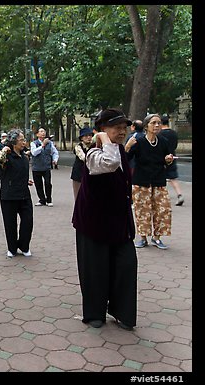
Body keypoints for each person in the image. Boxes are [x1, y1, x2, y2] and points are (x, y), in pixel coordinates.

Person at [72, 108, 137, 331]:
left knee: (126, 265)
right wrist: (101, 139)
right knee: (95, 269)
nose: (122, 132)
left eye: (124, 127)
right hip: (93, 222)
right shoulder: (94, 154)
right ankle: (94, 313)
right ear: (102, 130)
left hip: (119, 222)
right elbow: (108, 163)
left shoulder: (120, 150)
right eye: (116, 127)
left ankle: (122, 311)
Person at [126, 114, 175, 250]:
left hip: (158, 180)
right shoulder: (138, 141)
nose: (157, 125)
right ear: (147, 126)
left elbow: (167, 159)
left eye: (159, 123)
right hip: (141, 181)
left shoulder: (164, 141)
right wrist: (128, 147)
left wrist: (168, 159)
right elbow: (126, 159)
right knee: (143, 210)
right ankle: (143, 238)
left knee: (163, 209)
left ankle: (157, 238)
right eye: (154, 123)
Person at [0, 129, 34, 258]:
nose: (24, 142)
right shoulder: (6, 156)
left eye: (24, 139)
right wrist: (4, 151)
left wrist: (25, 180)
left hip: (24, 194)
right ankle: (12, 248)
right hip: (9, 195)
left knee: (28, 221)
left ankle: (24, 246)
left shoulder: (24, 157)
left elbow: (18, 172)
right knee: (10, 223)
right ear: (13, 142)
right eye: (21, 140)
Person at [159, 115, 184, 206]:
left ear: (161, 123)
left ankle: (162, 196)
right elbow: (175, 145)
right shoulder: (174, 133)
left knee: (160, 177)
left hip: (162, 158)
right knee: (173, 177)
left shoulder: (160, 134)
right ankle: (179, 194)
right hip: (172, 156)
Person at [30, 127, 59, 206]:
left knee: (48, 183)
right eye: (41, 131)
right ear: (37, 134)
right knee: (38, 184)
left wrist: (55, 159)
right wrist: (42, 145)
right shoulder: (34, 143)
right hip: (36, 167)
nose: (43, 133)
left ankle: (49, 199)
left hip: (46, 167)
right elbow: (34, 153)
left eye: (44, 131)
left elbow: (54, 152)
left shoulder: (50, 143)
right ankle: (42, 199)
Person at [70, 127, 94, 200]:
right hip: (78, 174)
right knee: (78, 196)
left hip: (90, 174)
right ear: (81, 138)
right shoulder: (78, 147)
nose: (89, 137)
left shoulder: (94, 146)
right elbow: (83, 157)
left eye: (90, 135)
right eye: (86, 136)